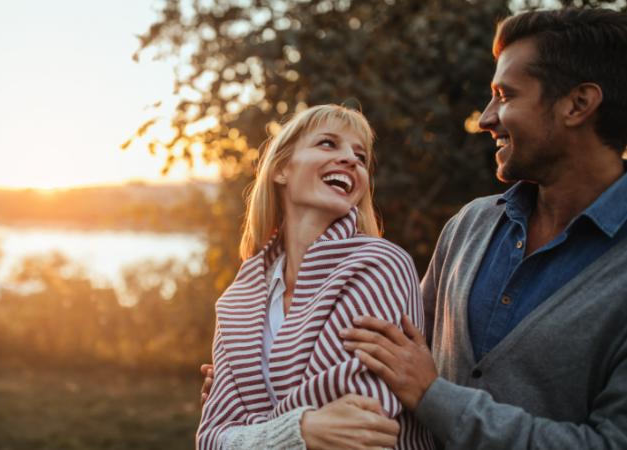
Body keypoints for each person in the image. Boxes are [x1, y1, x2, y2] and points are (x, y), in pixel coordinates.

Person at [339, 8, 627, 449]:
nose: (486, 118)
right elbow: (393, 354)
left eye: (505, 95)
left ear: (578, 104)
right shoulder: (470, 224)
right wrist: (252, 387)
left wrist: (435, 397)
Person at [196, 104, 434, 450]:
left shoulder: (381, 266)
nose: (350, 160)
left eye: (361, 156)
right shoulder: (236, 302)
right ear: (281, 170)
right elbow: (209, 439)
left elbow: (363, 422)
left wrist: (246, 432)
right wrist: (300, 429)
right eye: (328, 143)